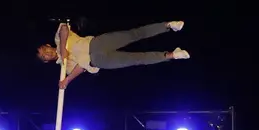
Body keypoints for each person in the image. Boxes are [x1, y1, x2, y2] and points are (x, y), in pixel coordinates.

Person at [36, 21, 190, 89]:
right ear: (46, 61)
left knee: (133, 34)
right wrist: (67, 80)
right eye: (44, 56)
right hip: (99, 61)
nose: (47, 53)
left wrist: (63, 48)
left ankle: (168, 26)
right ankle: (171, 55)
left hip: (96, 44)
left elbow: (64, 27)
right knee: (135, 60)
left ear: (48, 45)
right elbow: (81, 68)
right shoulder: (65, 68)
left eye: (45, 49)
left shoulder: (58, 39)